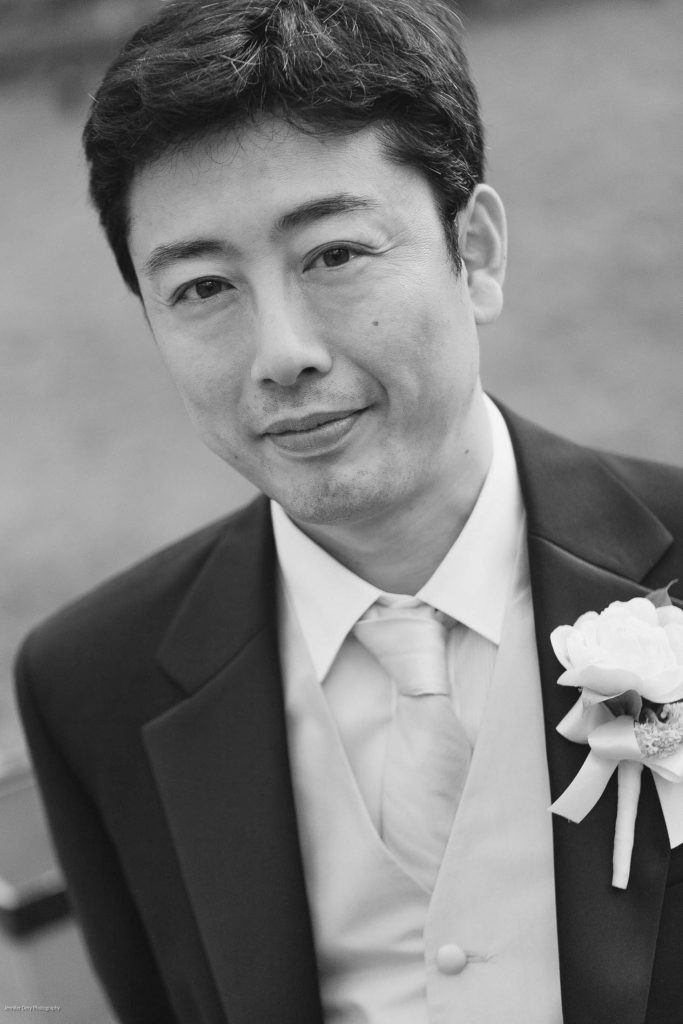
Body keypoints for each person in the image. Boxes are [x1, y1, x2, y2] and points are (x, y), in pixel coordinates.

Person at [15, 1, 683, 1022]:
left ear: (475, 251)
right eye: (200, 287)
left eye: (332, 254)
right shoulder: (91, 682)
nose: (282, 351)